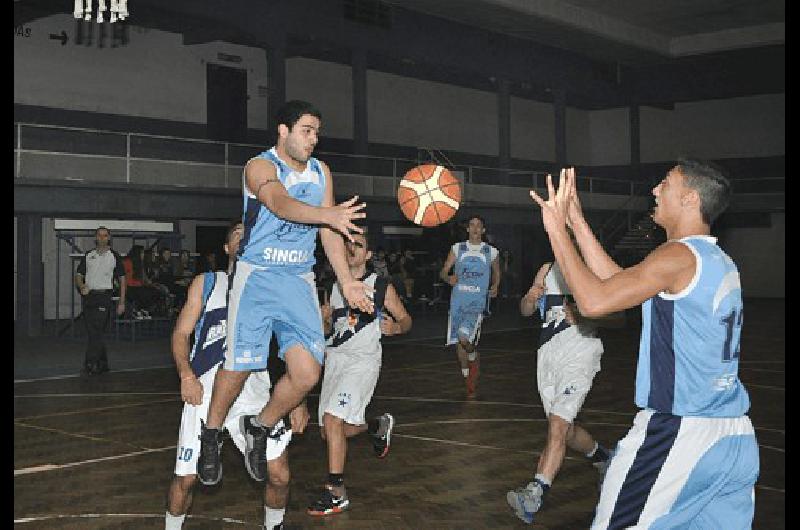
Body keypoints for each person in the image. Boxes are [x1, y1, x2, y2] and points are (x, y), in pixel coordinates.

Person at [512, 163, 758, 528]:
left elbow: (594, 302)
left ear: (690, 198)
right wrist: (577, 224)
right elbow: (620, 285)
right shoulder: (715, 260)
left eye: (665, 184)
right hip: (733, 437)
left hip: (679, 432)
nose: (655, 190)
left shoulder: (677, 256)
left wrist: (556, 230)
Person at [197, 100, 373, 486]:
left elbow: (328, 232)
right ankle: (210, 436)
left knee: (308, 373)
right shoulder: (259, 166)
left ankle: (259, 427)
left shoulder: (320, 172)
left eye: (317, 132)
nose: (314, 138)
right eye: (307, 130)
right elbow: (279, 204)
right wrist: (328, 214)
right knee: (240, 364)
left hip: (298, 278)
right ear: (283, 130)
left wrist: (346, 281)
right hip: (258, 275)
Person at [165, 220, 308, 530]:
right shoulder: (207, 283)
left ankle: (274, 526)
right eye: (238, 236)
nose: (245, 240)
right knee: (186, 479)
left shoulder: (271, 290)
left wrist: (296, 400)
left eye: (251, 236)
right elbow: (180, 334)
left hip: (253, 390)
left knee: (279, 474)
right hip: (206, 387)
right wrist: (186, 375)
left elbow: (290, 347)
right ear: (227, 248)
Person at [307, 232, 412, 516]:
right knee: (329, 433)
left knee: (332, 421)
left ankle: (336, 491)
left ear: (367, 256)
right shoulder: (335, 286)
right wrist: (326, 321)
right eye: (347, 243)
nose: (351, 248)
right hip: (335, 360)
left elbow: (406, 319)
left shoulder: (380, 287)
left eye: (359, 245)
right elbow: (331, 332)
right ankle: (375, 425)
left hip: (363, 361)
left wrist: (397, 328)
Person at [505, 257, 614, 523]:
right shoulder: (546, 269)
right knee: (564, 428)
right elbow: (525, 311)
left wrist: (583, 313)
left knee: (557, 425)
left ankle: (536, 492)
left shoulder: (593, 267)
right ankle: (603, 457)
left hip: (580, 349)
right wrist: (530, 299)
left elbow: (616, 315)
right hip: (547, 353)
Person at [439, 215, 500, 398]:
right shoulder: (458, 249)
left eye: (478, 226)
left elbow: (497, 272)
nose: (474, 228)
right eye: (471, 225)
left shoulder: (491, 252)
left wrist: (496, 285)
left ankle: (473, 358)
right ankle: (467, 374)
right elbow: (443, 271)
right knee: (459, 341)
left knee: (464, 337)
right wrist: (447, 277)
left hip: (477, 302)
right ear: (467, 229)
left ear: (483, 230)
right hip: (458, 301)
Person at [74, 226, 126, 375]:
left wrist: (122, 302)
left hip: (104, 297)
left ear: (109, 238)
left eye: (105, 235)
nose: (102, 238)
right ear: (95, 237)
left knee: (96, 330)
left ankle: (90, 364)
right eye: (99, 235)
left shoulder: (114, 256)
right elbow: (79, 274)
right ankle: (103, 363)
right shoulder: (88, 255)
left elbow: (122, 280)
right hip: (89, 297)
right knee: (93, 332)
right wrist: (81, 285)